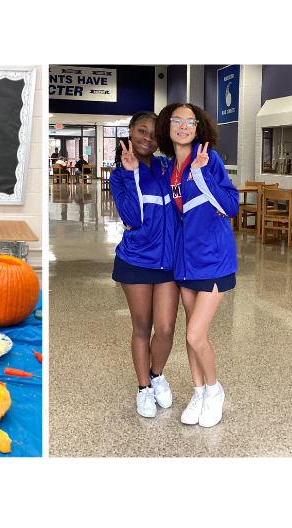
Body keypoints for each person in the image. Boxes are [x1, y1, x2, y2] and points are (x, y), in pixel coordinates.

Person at [157, 103, 238, 428]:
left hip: (214, 259)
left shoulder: (208, 159)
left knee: (194, 335)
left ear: (198, 127)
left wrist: (202, 174)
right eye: (177, 120)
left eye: (190, 121)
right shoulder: (169, 169)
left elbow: (230, 206)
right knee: (192, 332)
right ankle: (198, 391)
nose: (184, 126)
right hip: (185, 262)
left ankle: (215, 391)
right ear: (168, 127)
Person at [109, 111, 179, 419]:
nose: (147, 137)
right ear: (130, 132)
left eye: (153, 133)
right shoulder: (119, 175)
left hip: (169, 262)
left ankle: (156, 374)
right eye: (142, 130)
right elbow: (133, 218)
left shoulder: (167, 167)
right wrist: (131, 172)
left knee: (165, 329)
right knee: (142, 326)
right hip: (136, 260)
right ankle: (143, 389)